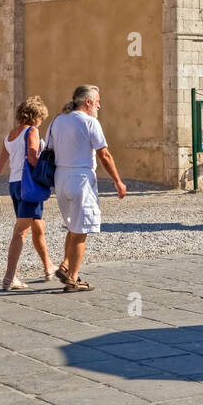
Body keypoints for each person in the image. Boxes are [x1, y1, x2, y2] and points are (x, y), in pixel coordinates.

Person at [46, 85, 126, 292]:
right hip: (81, 178)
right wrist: (118, 181)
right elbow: (104, 155)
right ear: (88, 102)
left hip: (60, 178)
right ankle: (73, 279)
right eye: (97, 101)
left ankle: (65, 266)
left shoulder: (56, 121)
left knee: (73, 226)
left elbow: (49, 150)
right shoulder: (91, 122)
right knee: (81, 231)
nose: (100, 104)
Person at [0, 96, 57, 291]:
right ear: (36, 116)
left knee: (37, 225)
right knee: (20, 232)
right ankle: (10, 278)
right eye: (41, 117)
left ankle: (48, 265)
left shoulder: (11, 135)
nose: (41, 121)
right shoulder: (32, 130)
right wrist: (48, 168)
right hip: (30, 185)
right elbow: (33, 157)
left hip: (15, 185)